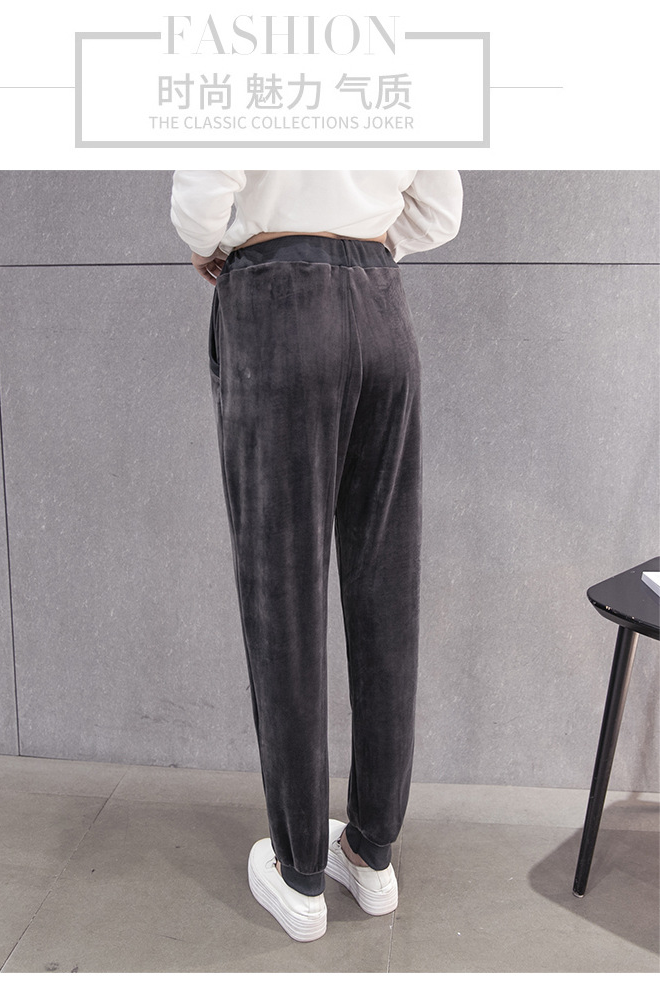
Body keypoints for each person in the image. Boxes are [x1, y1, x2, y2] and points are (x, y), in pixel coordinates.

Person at [170, 171, 463, 942]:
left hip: (278, 301)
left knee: (283, 590)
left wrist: (209, 242)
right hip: (381, 304)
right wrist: (356, 244)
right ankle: (371, 852)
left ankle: (300, 870)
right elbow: (441, 210)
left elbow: (203, 187)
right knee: (386, 588)